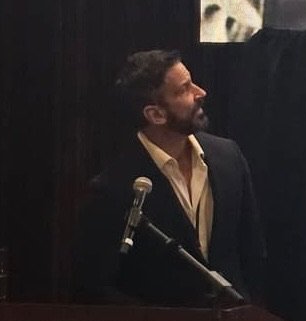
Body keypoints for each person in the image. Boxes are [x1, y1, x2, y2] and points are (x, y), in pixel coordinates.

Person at [73, 50, 265, 305]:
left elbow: (252, 253)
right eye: (185, 89)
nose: (200, 92)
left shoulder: (228, 157)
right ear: (156, 115)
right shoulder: (114, 188)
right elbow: (97, 286)